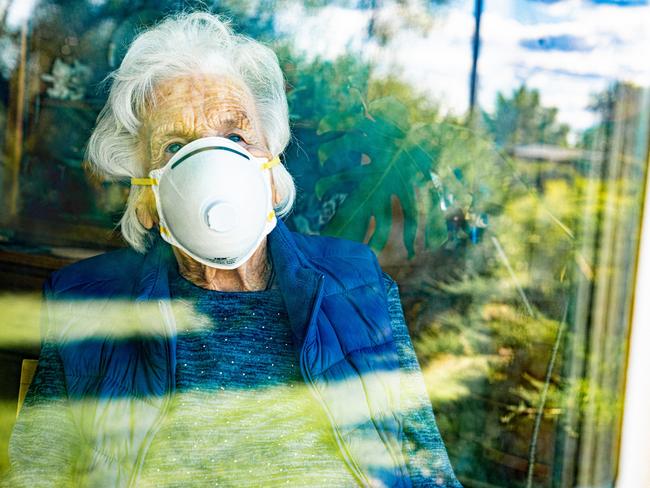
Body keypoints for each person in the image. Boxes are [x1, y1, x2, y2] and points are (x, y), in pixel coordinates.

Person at [7, 11, 461, 488]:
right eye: (174, 145)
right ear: (145, 199)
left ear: (271, 173)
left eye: (235, 137)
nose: (212, 165)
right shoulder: (86, 304)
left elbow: (427, 472)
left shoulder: (358, 287)